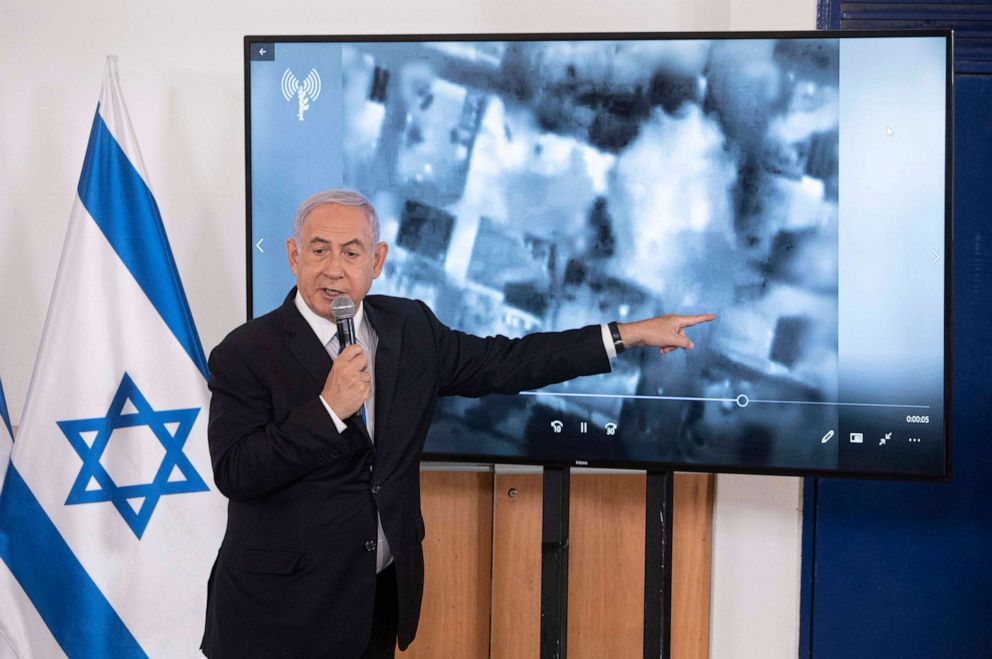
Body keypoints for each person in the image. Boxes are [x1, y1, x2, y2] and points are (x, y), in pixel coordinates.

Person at [200, 189, 715, 658]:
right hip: (275, 618)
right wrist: (329, 409)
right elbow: (237, 472)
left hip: (373, 602)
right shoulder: (245, 353)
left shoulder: (410, 329)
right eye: (318, 250)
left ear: (376, 262)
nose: (334, 269)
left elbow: (509, 361)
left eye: (351, 252)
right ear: (293, 255)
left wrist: (628, 334)